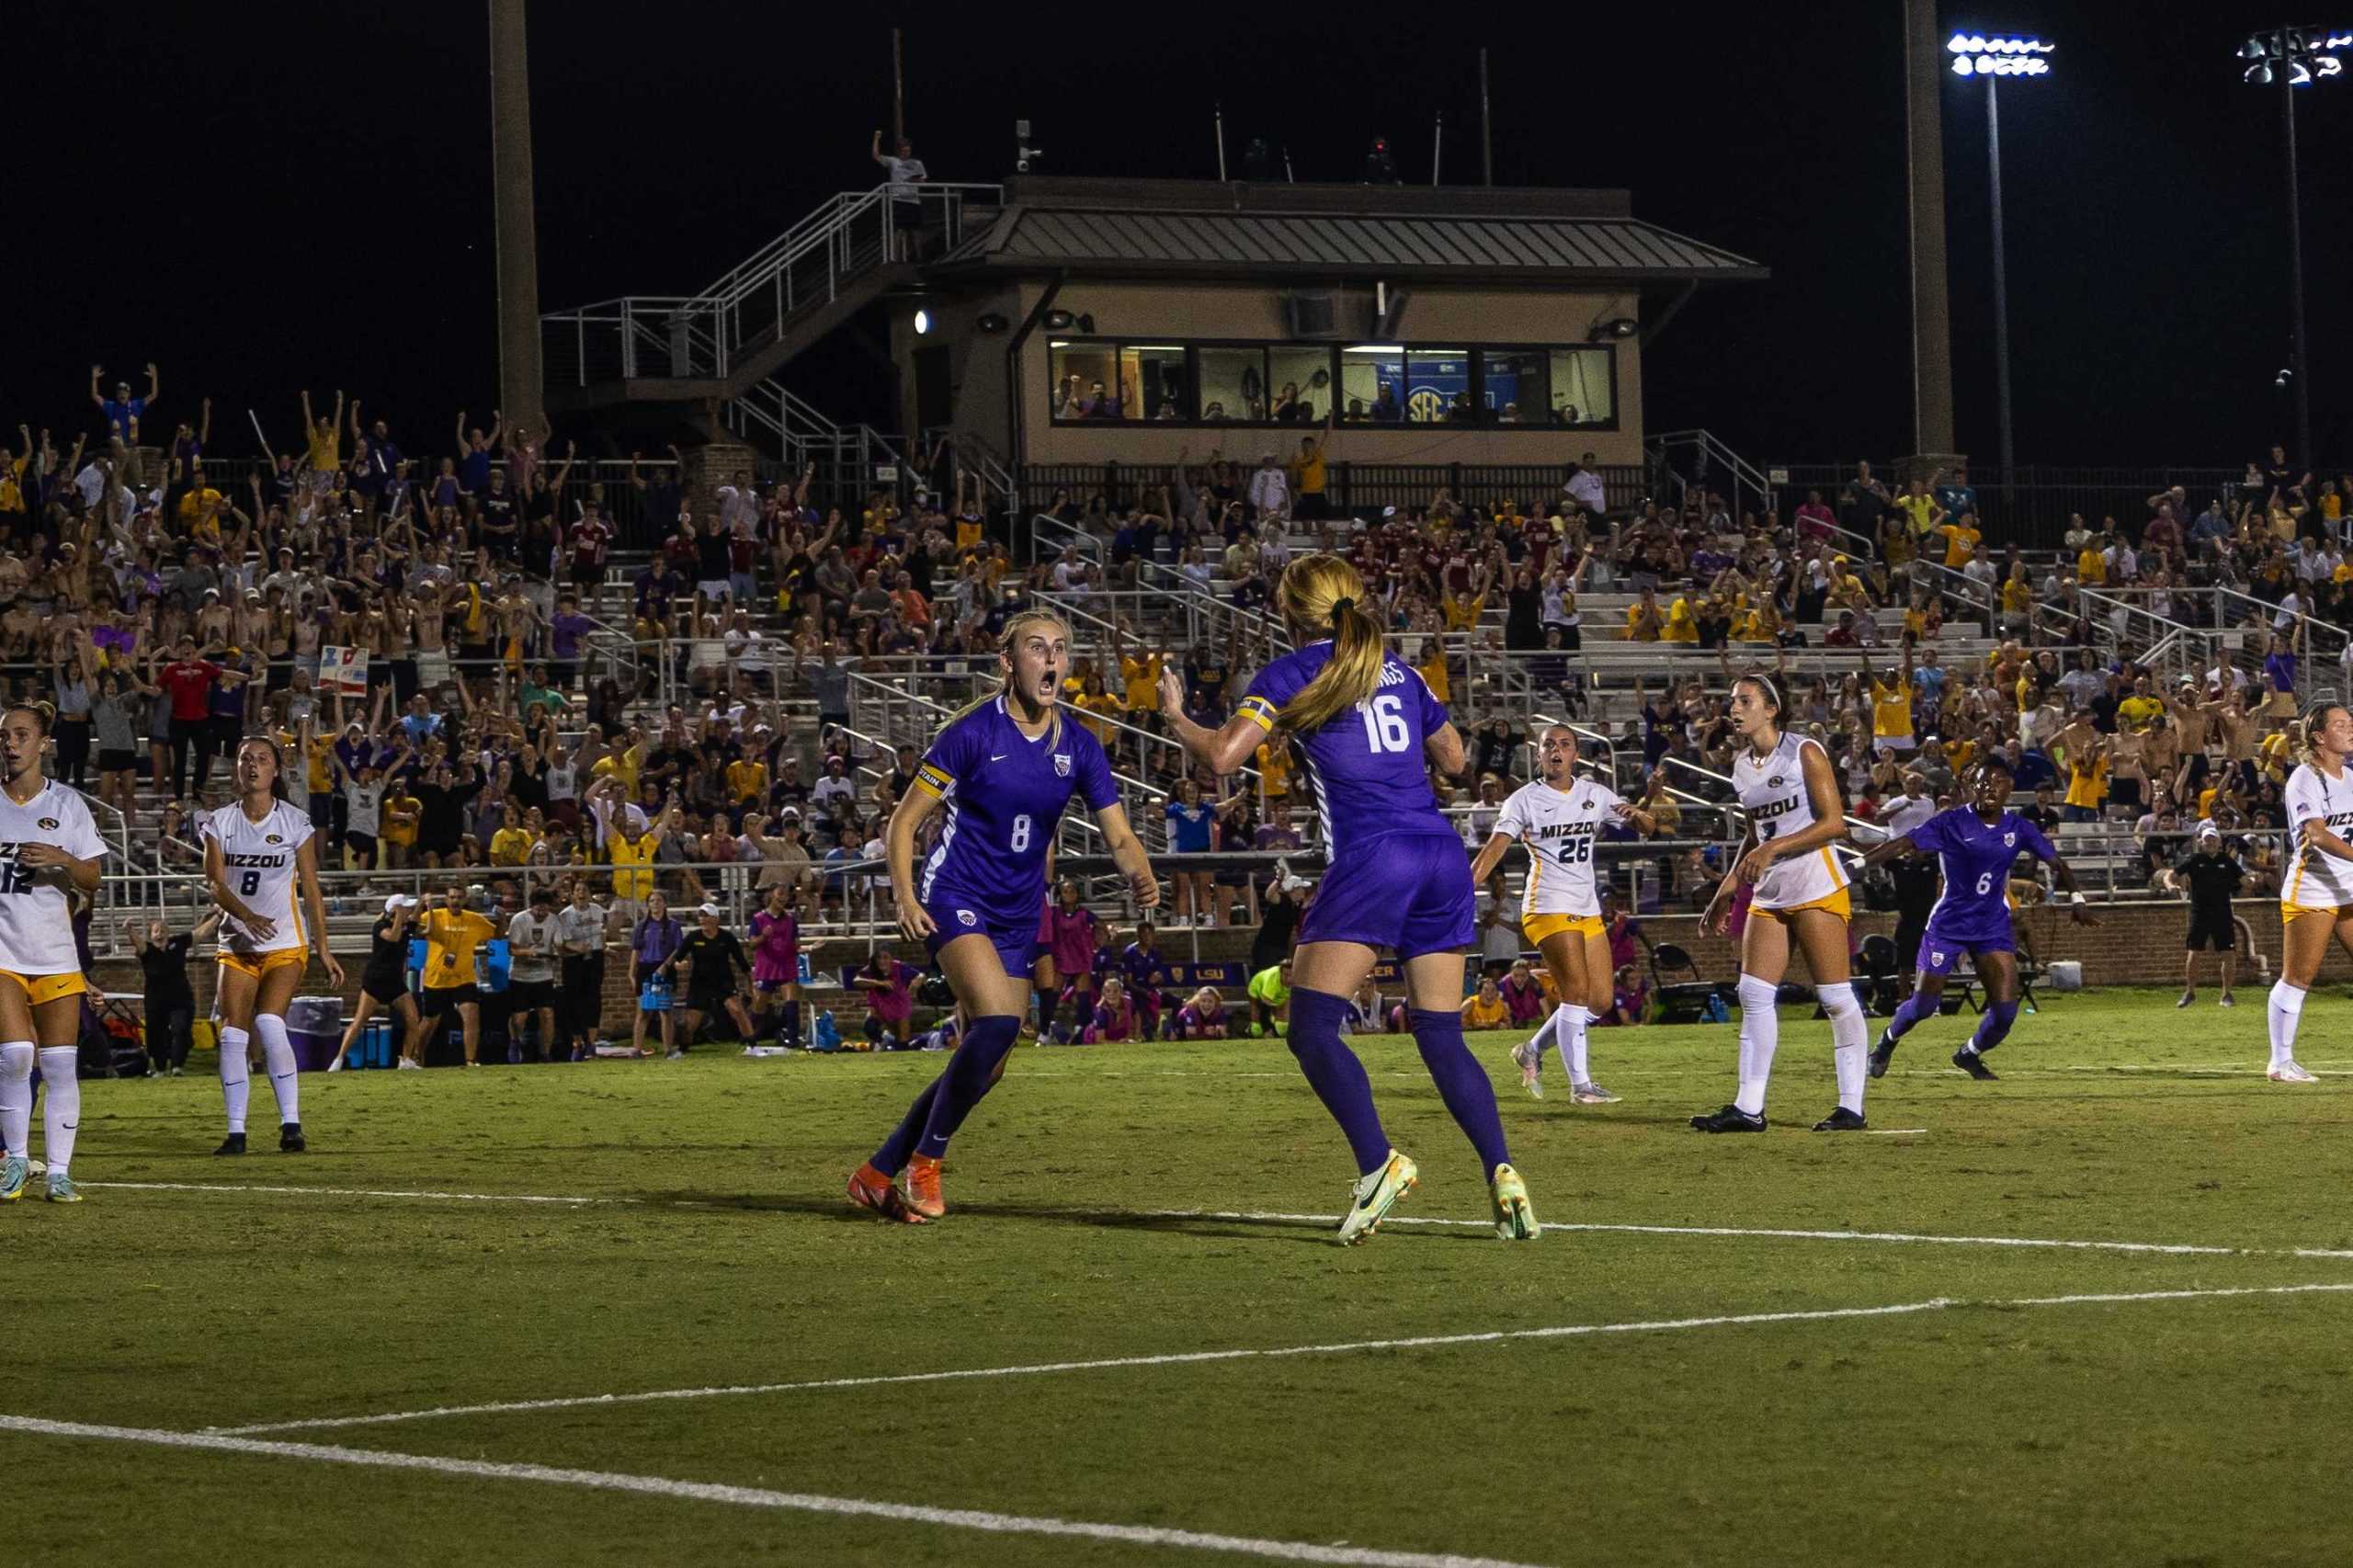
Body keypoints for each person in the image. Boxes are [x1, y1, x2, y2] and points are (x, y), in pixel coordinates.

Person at [1160, 552, 1537, 1244]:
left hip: (1376, 857)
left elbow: (1221, 758)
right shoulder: (1398, 668)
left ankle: (1378, 1164)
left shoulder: (1294, 671)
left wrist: (1178, 717)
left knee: (1309, 1028)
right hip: (1439, 853)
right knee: (1442, 1035)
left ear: (1289, 610)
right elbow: (1454, 759)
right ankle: (1504, 1172)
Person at [848, 609, 1159, 1225]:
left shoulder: (1078, 745)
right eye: (1037, 648)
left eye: (1060, 650)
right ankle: (926, 1163)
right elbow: (904, 822)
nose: (1051, 659)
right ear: (1008, 662)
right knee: (994, 1022)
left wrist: (1142, 875)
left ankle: (877, 1170)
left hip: (1021, 909)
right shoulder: (970, 734)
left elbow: (1119, 833)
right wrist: (907, 900)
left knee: (987, 1063)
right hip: (957, 892)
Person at [1691, 670, 1870, 1133]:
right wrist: (1725, 890)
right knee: (1752, 994)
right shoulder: (1740, 767)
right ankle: (1748, 1108)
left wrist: (1771, 849)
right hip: (1771, 891)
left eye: (1745, 701)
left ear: (1771, 709)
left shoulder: (1803, 751)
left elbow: (1835, 824)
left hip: (1816, 884)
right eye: (1732, 700)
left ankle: (1851, 1107)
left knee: (1833, 997)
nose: (1734, 708)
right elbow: (1756, 834)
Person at [1859, 759, 2098, 1080]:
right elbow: (1903, 843)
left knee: (2005, 1013)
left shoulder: (2018, 827)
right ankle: (1887, 1042)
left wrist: (2078, 899)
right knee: (1923, 1006)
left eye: (1997, 782)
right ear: (1974, 787)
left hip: (1991, 925)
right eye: (1983, 782)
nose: (1989, 788)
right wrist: (1859, 864)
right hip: (1949, 924)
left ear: (2009, 788)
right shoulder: (1951, 822)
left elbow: (2058, 864)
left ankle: (1968, 1053)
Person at [1469, 724, 1653, 1105]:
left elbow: (1649, 827)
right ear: (1538, 754)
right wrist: (1464, 886)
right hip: (1547, 905)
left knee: (1599, 1001)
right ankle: (1581, 1086)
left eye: (1564, 744)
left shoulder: (1595, 794)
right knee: (1576, 993)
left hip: (1585, 907)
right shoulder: (1523, 800)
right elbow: (1495, 847)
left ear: (1575, 754)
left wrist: (1638, 814)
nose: (1556, 749)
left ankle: (1531, 1050)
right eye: (1548, 744)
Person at [201, 737, 342, 1154]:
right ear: (237, 768)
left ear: (276, 770)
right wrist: (246, 917)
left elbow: (312, 889)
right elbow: (215, 884)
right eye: (246, 759)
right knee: (232, 1035)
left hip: (284, 943)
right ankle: (237, 1131)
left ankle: (291, 1124)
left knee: (269, 1022)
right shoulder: (219, 822)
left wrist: (324, 946)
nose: (253, 766)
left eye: (262, 759)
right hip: (237, 942)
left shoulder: (296, 821)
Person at [0, 705, 108, 1202]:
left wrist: (63, 859)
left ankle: (60, 1172)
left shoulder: (66, 806)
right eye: (5, 735)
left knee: (62, 1063)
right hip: (4, 952)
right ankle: (16, 1161)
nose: (10, 742)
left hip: (55, 954)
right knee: (18, 1054)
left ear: (43, 743)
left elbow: (93, 879)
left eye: (21, 734)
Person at [2266, 701, 2353, 1083]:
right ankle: (2280, 1063)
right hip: (2313, 890)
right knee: (2298, 977)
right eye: (2340, 724)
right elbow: (2316, 834)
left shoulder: (2350, 777)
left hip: (2349, 888)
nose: (2350, 729)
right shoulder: (2304, 777)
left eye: (2350, 723)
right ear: (2319, 736)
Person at [404, 883, 500, 1068]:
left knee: (471, 1014)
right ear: (447, 900)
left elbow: (496, 934)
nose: (455, 901)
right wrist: (421, 905)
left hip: (463, 978)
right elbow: (413, 925)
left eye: (459, 897)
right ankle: (416, 1057)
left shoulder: (475, 919)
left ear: (465, 900)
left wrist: (502, 920)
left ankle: (471, 1060)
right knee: (429, 1020)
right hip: (436, 978)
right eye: (452, 897)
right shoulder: (435, 916)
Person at [333, 895, 423, 1072]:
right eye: (405, 909)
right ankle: (338, 1059)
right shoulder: (380, 926)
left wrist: (421, 904)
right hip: (375, 981)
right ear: (394, 911)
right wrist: (398, 915)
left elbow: (415, 921)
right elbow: (394, 937)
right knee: (359, 1021)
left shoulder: (404, 925)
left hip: (395, 982)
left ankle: (405, 1060)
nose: (409, 912)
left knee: (413, 1019)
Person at [129, 910, 222, 1078]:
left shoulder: (178, 943)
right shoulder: (147, 950)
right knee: (156, 1032)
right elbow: (137, 943)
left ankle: (177, 1066)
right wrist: (129, 929)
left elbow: (200, 933)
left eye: (163, 930)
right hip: (155, 1000)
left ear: (168, 932)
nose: (160, 934)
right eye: (156, 931)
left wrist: (218, 917)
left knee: (181, 1029)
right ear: (151, 934)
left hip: (180, 997)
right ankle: (160, 1068)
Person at [665, 903, 755, 1056]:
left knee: (737, 1010)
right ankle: (682, 1050)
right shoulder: (693, 937)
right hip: (700, 984)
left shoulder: (727, 938)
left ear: (715, 919)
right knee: (690, 1024)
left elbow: (743, 964)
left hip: (723, 982)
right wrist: (679, 965)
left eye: (706, 916)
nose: (702, 919)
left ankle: (752, 1046)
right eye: (700, 916)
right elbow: (677, 959)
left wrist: (751, 985)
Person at [2176, 824, 2245, 1008]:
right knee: (2194, 953)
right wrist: (2170, 885)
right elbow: (2173, 874)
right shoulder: (2195, 860)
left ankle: (2226, 994)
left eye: (2213, 838)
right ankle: (2190, 992)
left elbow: (2243, 879)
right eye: (2207, 839)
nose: (2210, 842)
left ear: (2219, 841)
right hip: (2200, 912)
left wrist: (2241, 885)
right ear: (2201, 841)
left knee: (2228, 954)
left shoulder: (2227, 861)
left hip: (2222, 913)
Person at [502, 887, 563, 1062]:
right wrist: (529, 953)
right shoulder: (519, 920)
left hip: (544, 975)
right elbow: (512, 949)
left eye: (545, 909)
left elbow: (558, 945)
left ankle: (545, 1053)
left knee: (547, 1013)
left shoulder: (554, 921)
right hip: (520, 975)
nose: (542, 912)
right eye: (539, 909)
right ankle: (515, 1043)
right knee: (519, 1016)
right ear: (532, 906)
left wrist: (556, 953)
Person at [552, 881, 611, 1060]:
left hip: (594, 958)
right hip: (573, 961)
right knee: (574, 1001)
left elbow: (602, 933)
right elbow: (562, 943)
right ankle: (577, 1043)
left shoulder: (597, 910)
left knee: (593, 998)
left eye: (584, 890)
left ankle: (592, 1043)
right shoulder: (565, 915)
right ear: (572, 894)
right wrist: (577, 948)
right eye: (577, 890)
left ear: (590, 893)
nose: (581, 893)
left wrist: (604, 948)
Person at [629, 890, 684, 1059]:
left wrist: (666, 965)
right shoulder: (642, 926)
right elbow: (636, 950)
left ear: (665, 904)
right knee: (644, 1011)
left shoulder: (673, 926)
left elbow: (678, 949)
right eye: (652, 901)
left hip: (664, 969)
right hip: (645, 968)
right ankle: (636, 1049)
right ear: (648, 905)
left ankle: (668, 1049)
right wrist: (631, 972)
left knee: (665, 1010)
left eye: (659, 901)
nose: (656, 904)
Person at [749, 883, 804, 1049]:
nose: (783, 898)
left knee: (791, 1002)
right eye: (780, 894)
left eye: (786, 895)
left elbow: (795, 945)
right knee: (760, 1004)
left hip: (786, 965)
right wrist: (763, 936)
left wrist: (808, 948)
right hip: (767, 966)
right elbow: (752, 944)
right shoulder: (758, 919)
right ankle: (749, 1036)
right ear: (770, 896)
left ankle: (793, 1039)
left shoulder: (790, 921)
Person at [1246, 958, 1293, 1037]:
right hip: (1257, 990)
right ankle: (1252, 1030)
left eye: (1291, 975)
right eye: (1286, 975)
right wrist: (1268, 1028)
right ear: (1280, 973)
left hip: (1279, 994)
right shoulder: (1272, 980)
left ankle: (1277, 1031)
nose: (1289, 979)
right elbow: (1265, 1004)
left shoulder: (1299, 979)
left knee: (1283, 1024)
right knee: (1257, 1028)